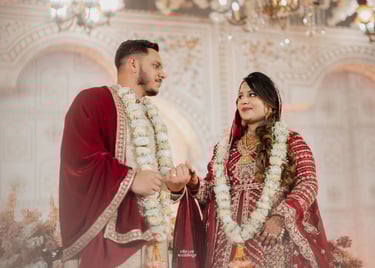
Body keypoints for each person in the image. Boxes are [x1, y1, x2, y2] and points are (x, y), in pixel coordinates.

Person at [174, 72, 332, 268]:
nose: (244, 100)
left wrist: (280, 217)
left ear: (270, 104)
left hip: (271, 240)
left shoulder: (291, 142)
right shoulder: (225, 149)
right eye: (240, 96)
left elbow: (308, 183)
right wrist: (193, 182)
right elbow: (210, 193)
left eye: (252, 94)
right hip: (227, 243)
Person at [59, 40, 190, 268]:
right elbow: (79, 159)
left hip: (155, 241)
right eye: (156, 65)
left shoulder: (152, 117)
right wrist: (130, 178)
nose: (163, 74)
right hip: (111, 240)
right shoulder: (94, 101)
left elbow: (155, 179)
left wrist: (174, 187)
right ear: (133, 63)